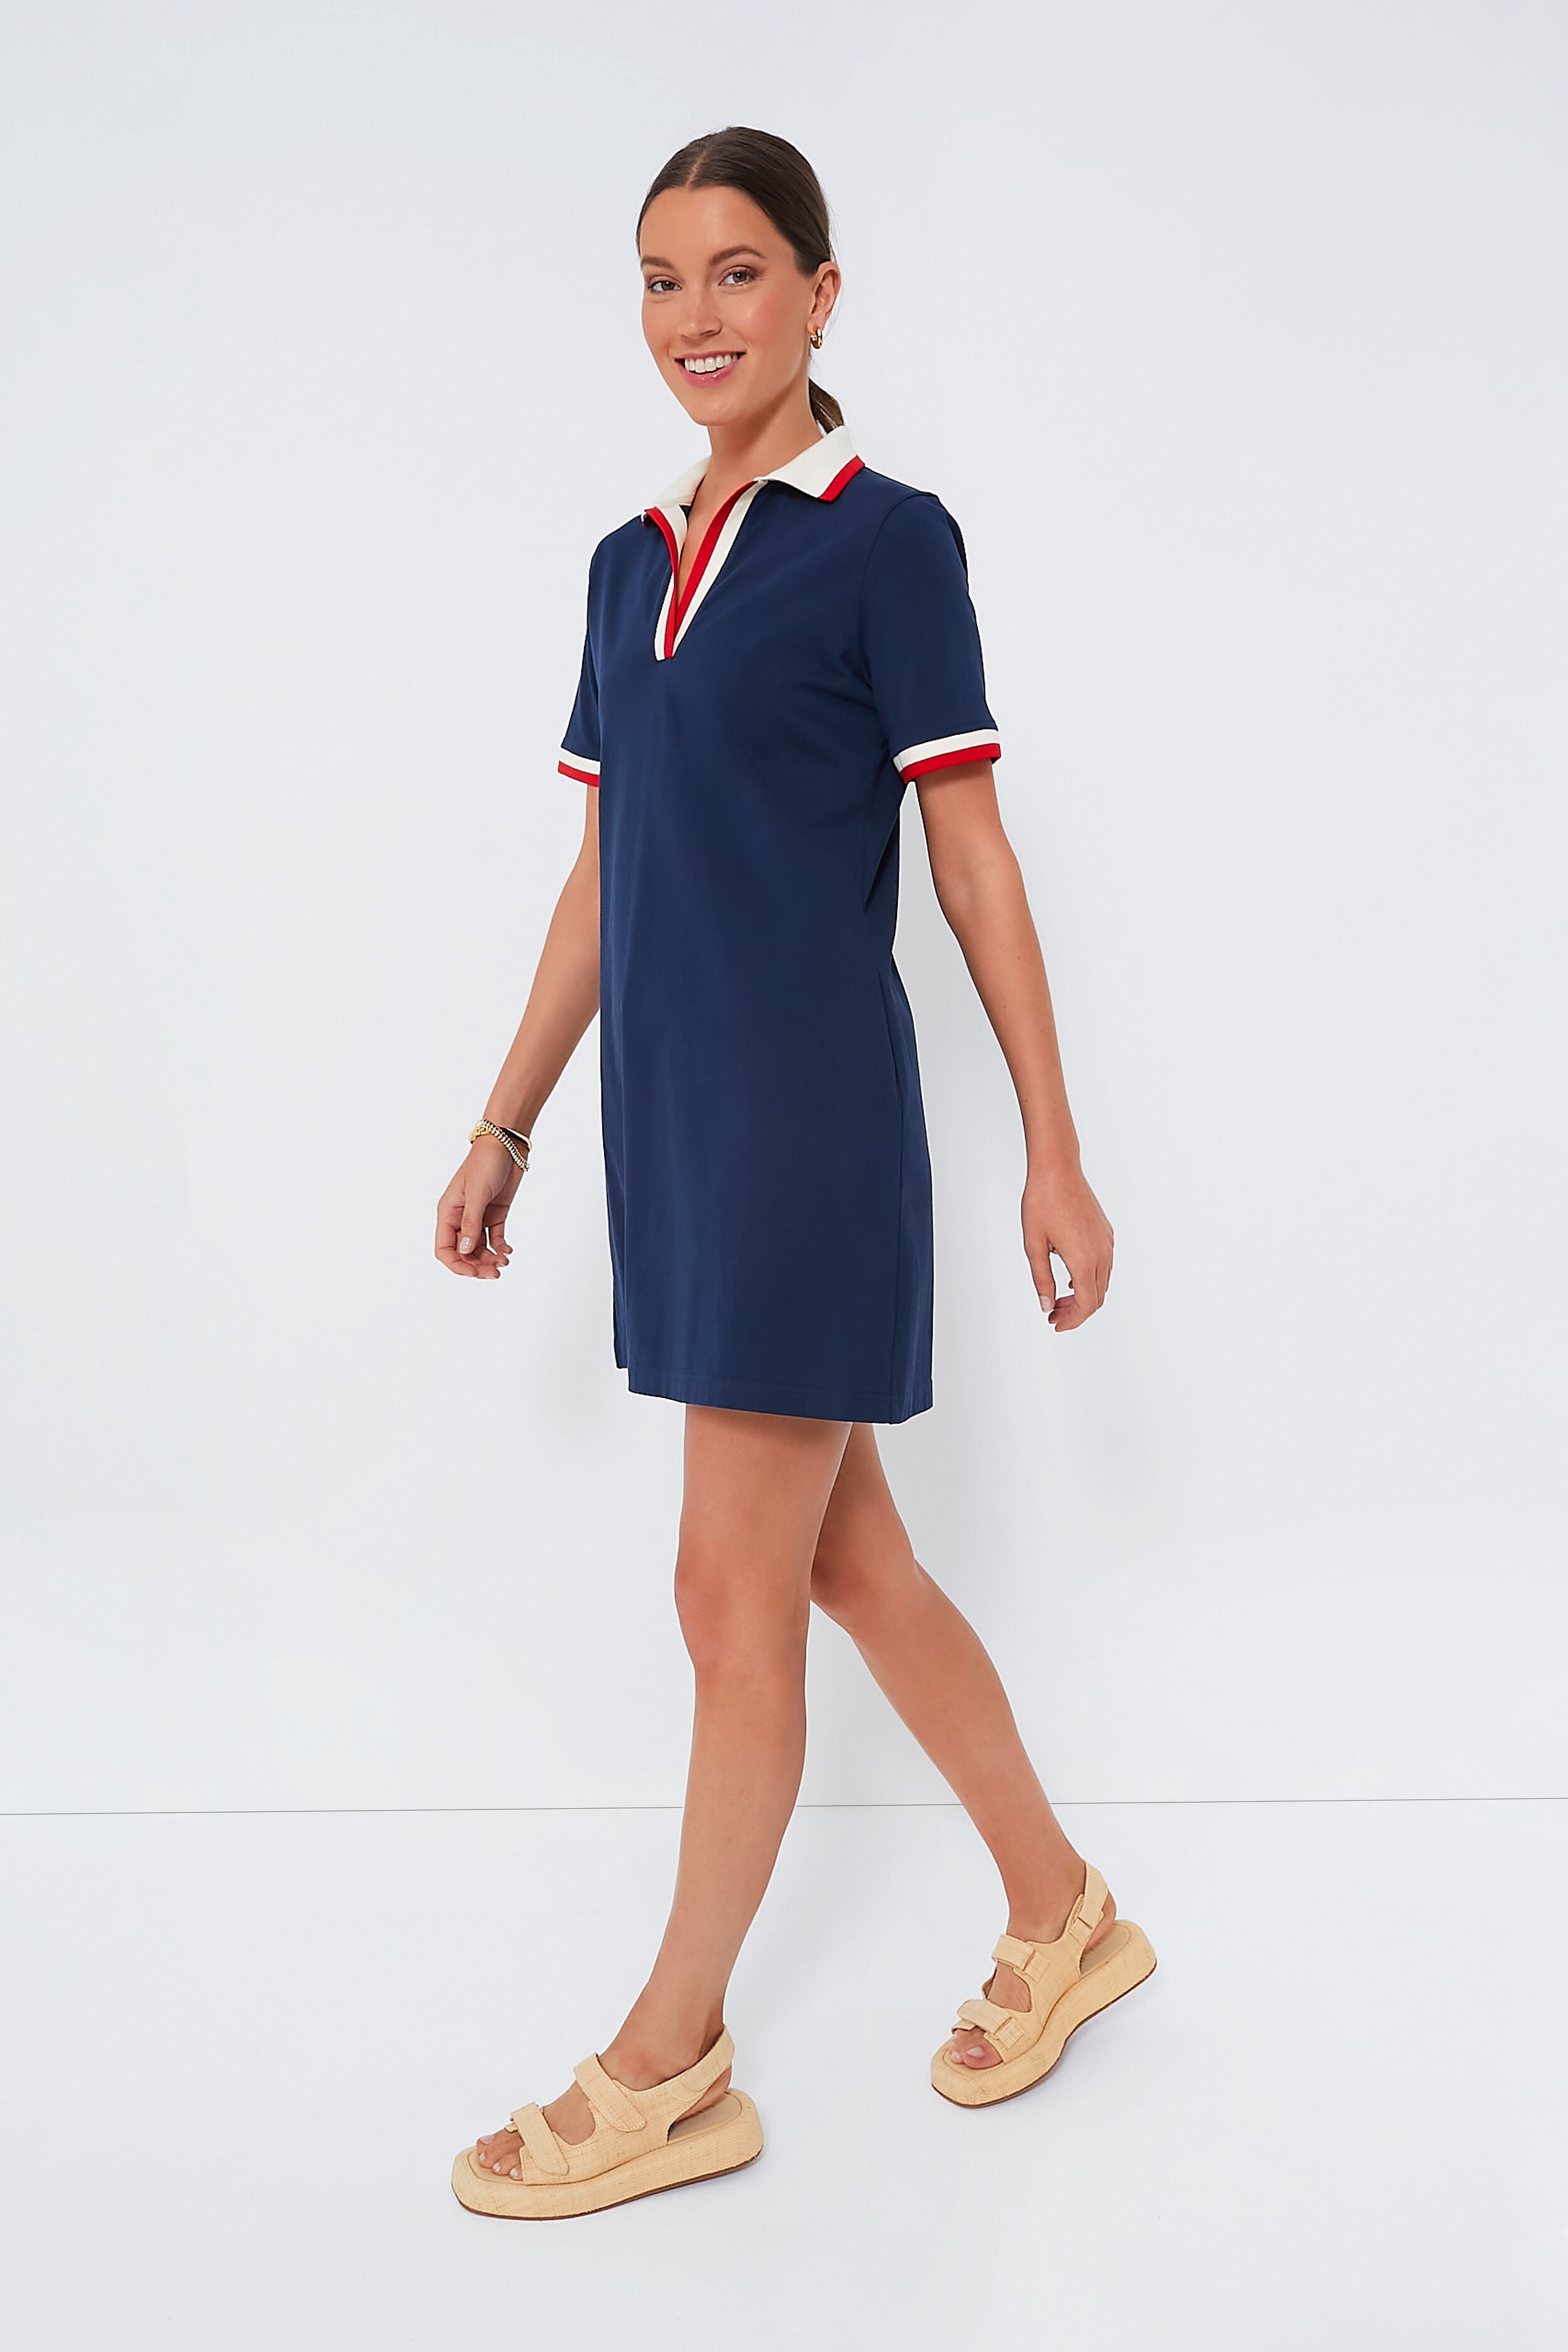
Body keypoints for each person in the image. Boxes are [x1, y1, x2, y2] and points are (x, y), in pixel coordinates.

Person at [441, 125, 1155, 2222]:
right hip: (673, 1136)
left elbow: (972, 862)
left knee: (723, 1591)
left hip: (808, 1138)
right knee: (847, 1570)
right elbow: (603, 877)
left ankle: (668, 2062)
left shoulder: (887, 543)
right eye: (662, 279)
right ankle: (1063, 1912)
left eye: (739, 272)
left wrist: (1053, 1151)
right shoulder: (620, 567)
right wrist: (505, 1118)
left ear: (821, 295)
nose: (698, 316)